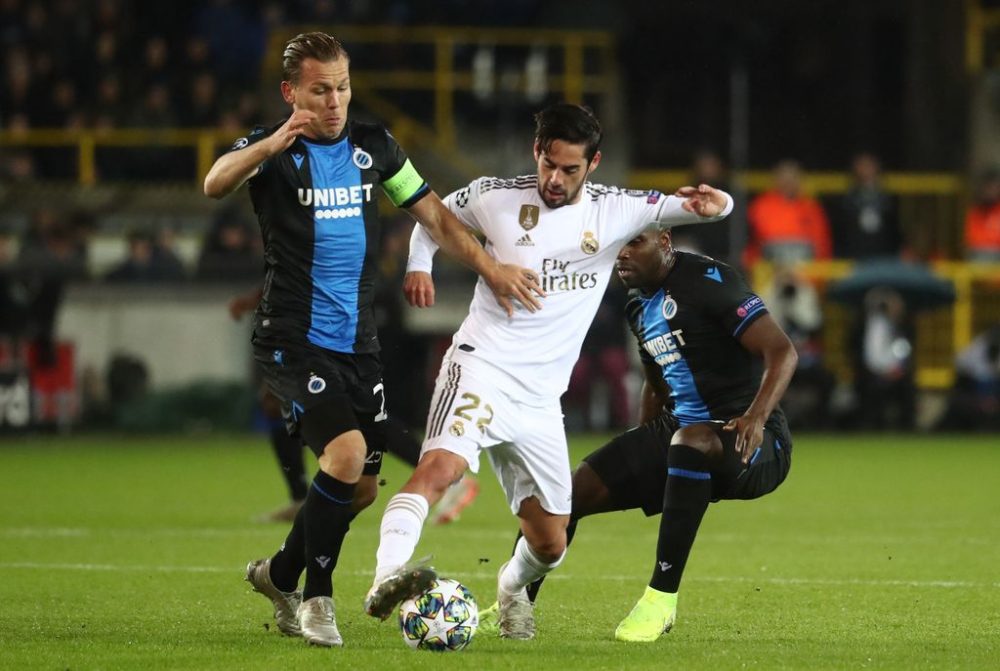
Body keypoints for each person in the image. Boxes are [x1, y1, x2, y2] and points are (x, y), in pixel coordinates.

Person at [202, 32, 541, 648]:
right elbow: (214, 183)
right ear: (291, 92)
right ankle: (317, 601)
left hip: (359, 343)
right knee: (347, 455)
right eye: (320, 90)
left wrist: (490, 269)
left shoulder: (374, 146)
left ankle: (279, 574)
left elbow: (435, 214)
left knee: (356, 490)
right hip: (293, 339)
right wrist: (269, 144)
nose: (335, 101)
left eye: (343, 87)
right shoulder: (271, 148)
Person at [362, 103, 733, 640]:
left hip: (540, 400)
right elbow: (434, 215)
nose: (554, 180)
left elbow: (704, 209)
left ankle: (511, 591)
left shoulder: (619, 209)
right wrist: (420, 265)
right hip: (482, 367)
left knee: (551, 541)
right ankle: (387, 576)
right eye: (548, 164)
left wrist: (717, 203)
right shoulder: (495, 195)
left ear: (594, 163)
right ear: (537, 152)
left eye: (569, 170)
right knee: (440, 470)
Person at [481, 223, 798, 642]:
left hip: (749, 438)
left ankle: (660, 600)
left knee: (690, 442)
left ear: (664, 243)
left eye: (635, 242)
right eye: (618, 244)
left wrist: (756, 417)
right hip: (679, 430)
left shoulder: (709, 282)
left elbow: (782, 351)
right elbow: (655, 379)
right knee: (563, 495)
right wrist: (639, 451)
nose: (623, 254)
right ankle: (513, 604)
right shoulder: (636, 303)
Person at [744, 160, 832, 267]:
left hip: (805, 269)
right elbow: (759, 239)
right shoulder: (761, 205)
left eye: (793, 178)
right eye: (784, 178)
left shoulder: (811, 206)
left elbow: (821, 243)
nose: (788, 183)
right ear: (776, 179)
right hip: (769, 268)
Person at [831, 152, 903, 260]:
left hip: (885, 259)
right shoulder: (846, 200)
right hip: (855, 259)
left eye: (869, 166)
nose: (865, 170)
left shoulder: (888, 199)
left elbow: (895, 230)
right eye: (861, 166)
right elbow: (840, 232)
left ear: (876, 168)